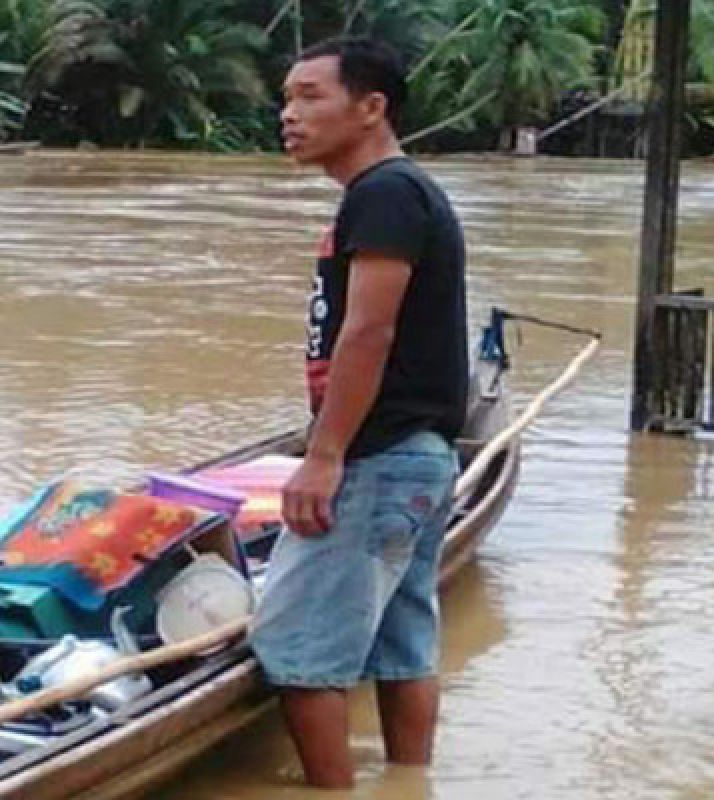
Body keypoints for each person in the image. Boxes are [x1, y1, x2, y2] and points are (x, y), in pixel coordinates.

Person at [248, 36, 469, 789]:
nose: (289, 113)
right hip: (421, 453)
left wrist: (325, 453)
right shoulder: (395, 194)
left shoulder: (383, 193)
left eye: (311, 96)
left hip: (378, 458)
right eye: (287, 96)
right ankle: (411, 782)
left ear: (371, 108)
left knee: (297, 648)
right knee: (405, 643)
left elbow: (368, 329)